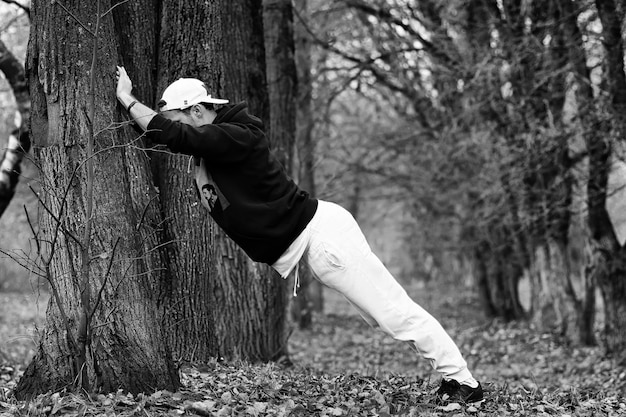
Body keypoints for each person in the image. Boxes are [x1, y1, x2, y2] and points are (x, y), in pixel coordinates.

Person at [115, 66, 484, 404]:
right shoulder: (217, 145)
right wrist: (135, 117)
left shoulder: (236, 137)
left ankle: (466, 384)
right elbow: (165, 135)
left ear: (197, 112)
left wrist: (128, 99)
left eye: (179, 117)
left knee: (393, 313)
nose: (177, 127)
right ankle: (454, 380)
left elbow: (172, 135)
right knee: (386, 315)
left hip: (323, 236)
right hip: (317, 239)